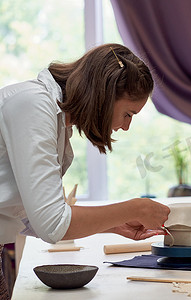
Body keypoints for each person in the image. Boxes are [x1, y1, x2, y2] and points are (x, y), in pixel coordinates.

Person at [0, 43, 170, 299]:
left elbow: (28, 217)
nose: (126, 127)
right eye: (128, 113)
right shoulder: (33, 105)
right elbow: (52, 225)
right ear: (105, 94)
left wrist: (114, 224)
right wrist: (135, 209)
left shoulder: (54, 118)